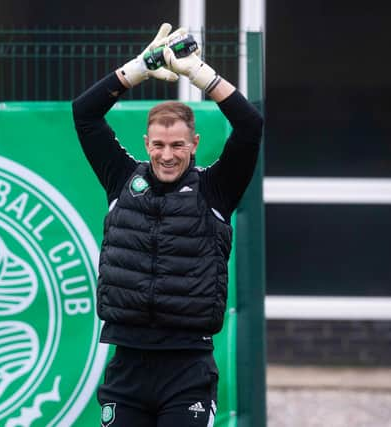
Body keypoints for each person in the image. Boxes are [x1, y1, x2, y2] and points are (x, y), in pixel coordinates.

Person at [72, 23, 263, 427]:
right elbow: (84, 113)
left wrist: (198, 74)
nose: (168, 155)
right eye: (159, 145)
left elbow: (249, 125)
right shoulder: (122, 178)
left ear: (194, 144)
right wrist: (141, 67)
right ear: (146, 144)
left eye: (178, 145)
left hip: (187, 369)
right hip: (127, 366)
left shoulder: (216, 190)